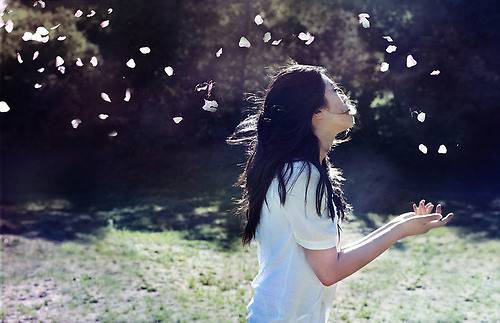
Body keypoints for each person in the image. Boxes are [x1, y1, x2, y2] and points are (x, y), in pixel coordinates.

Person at [225, 59, 454, 322]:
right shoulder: (301, 175)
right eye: (334, 90)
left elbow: (329, 259)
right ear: (316, 113)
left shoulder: (302, 170)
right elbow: (330, 270)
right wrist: (399, 231)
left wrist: (400, 223)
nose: (343, 96)